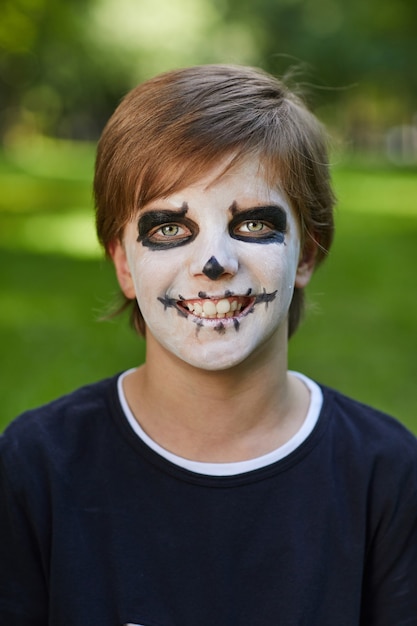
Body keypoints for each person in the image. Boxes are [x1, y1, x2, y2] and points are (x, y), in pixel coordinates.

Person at [1, 64, 416, 626]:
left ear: (308, 253)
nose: (214, 263)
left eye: (251, 226)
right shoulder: (33, 468)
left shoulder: (387, 475)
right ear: (125, 264)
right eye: (169, 229)